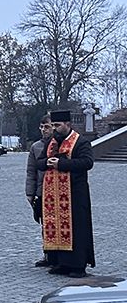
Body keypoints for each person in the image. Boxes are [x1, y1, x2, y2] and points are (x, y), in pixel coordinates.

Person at [37, 110, 95, 278]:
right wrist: (48, 162)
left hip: (75, 193)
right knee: (56, 227)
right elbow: (39, 162)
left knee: (77, 228)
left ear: (68, 125)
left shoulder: (80, 142)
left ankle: (77, 265)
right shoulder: (51, 142)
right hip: (52, 195)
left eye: (57, 125)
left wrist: (61, 164)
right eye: (53, 125)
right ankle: (61, 263)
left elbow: (87, 162)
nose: (54, 128)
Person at [26, 115, 53, 267]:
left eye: (47, 127)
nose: (44, 130)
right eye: (41, 127)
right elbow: (31, 171)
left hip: (57, 191)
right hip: (41, 191)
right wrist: (30, 193)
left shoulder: (60, 145)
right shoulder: (36, 147)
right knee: (46, 225)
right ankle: (47, 254)